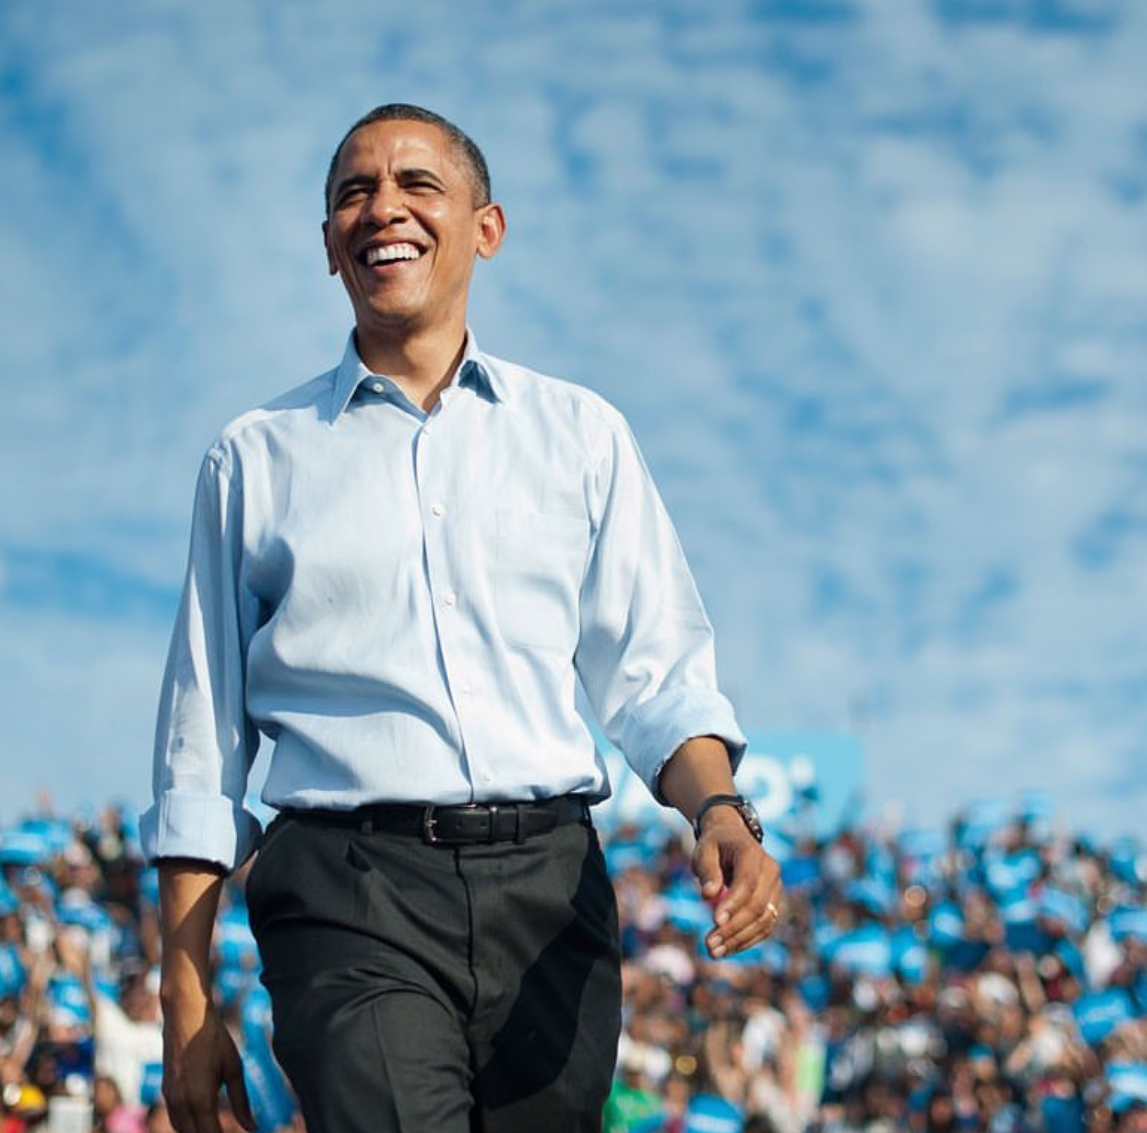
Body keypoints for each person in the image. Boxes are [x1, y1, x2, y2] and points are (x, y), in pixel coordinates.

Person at [141, 103, 784, 1133]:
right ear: (327, 247)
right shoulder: (254, 457)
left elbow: (656, 675)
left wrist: (720, 810)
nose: (381, 207)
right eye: (353, 191)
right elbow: (199, 746)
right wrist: (185, 998)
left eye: (414, 184)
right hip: (348, 892)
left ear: (486, 227)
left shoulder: (581, 434)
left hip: (553, 896)